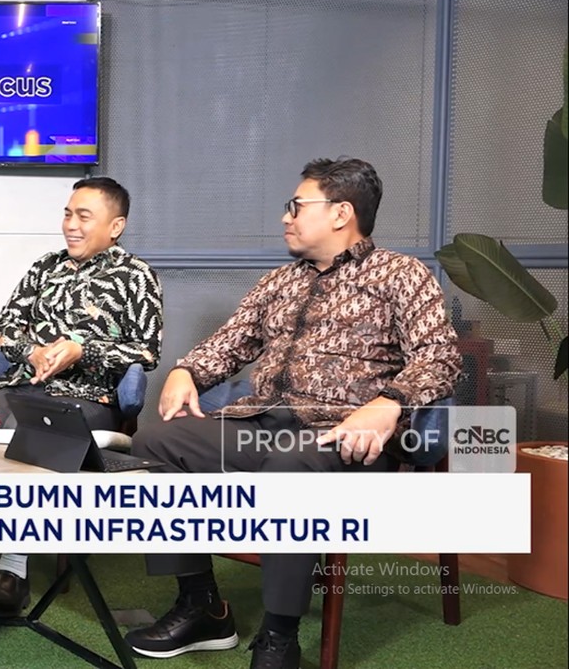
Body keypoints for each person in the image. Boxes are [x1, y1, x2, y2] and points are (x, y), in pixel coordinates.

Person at [124, 158, 463, 669]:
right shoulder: (278, 282)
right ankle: (202, 606)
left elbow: (440, 356)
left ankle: (279, 636)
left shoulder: (402, 275)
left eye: (297, 206)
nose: (286, 217)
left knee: (290, 467)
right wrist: (185, 371)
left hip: (342, 438)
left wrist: (388, 404)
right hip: (263, 424)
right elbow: (230, 342)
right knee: (154, 442)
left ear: (341, 213)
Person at [0, 176, 164, 616]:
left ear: (115, 226)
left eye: (84, 216)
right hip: (19, 386)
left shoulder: (136, 276)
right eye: (67, 213)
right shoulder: (45, 267)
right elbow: (5, 329)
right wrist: (32, 352)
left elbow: (147, 351)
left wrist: (82, 349)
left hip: (85, 397)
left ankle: (10, 570)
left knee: (33, 435)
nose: (71, 225)